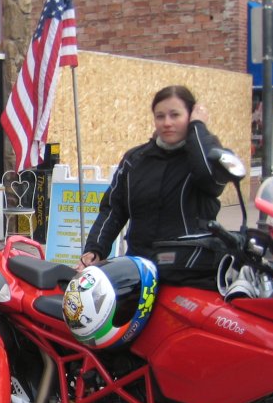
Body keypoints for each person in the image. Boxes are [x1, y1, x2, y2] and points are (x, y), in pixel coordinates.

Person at [78, 85, 226, 287]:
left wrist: (198, 127)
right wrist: (95, 248)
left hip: (190, 275)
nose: (167, 123)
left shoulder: (205, 153)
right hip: (140, 272)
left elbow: (210, 179)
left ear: (190, 116)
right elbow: (113, 209)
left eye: (175, 115)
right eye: (160, 116)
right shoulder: (135, 159)